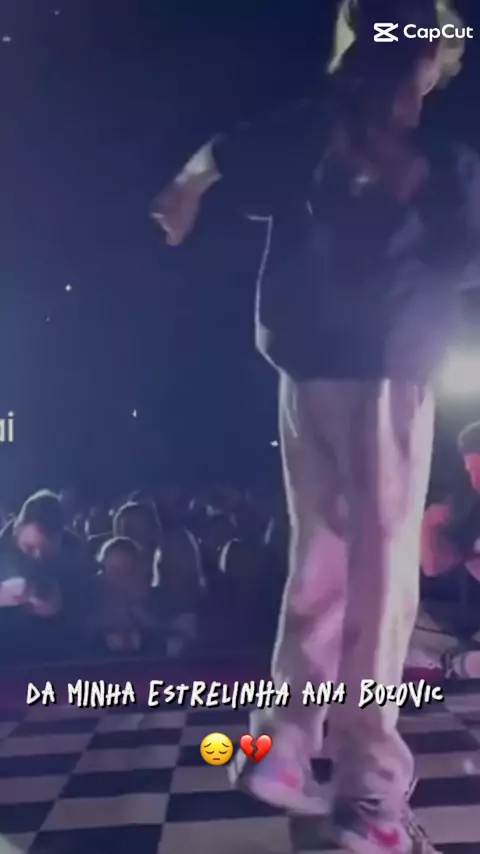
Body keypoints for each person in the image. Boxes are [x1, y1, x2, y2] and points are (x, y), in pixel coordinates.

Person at [152, 1, 475, 851]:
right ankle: (369, 793)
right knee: (383, 583)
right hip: (386, 373)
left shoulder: (310, 129)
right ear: (426, 60)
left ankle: (284, 746)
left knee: (321, 562)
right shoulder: (436, 159)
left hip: (306, 374)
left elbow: (221, 153)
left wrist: (184, 190)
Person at [407, 421, 480, 678]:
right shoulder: (469, 505)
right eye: (471, 471)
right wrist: (429, 525)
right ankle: (461, 661)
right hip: (470, 615)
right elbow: (433, 566)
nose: (477, 480)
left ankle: (463, 662)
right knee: (408, 619)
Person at [0, 489, 93, 660]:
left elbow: (88, 613)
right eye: (29, 547)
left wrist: (64, 608)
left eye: (46, 549)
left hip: (63, 656)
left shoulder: (75, 558)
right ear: (16, 532)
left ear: (60, 539)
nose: (38, 556)